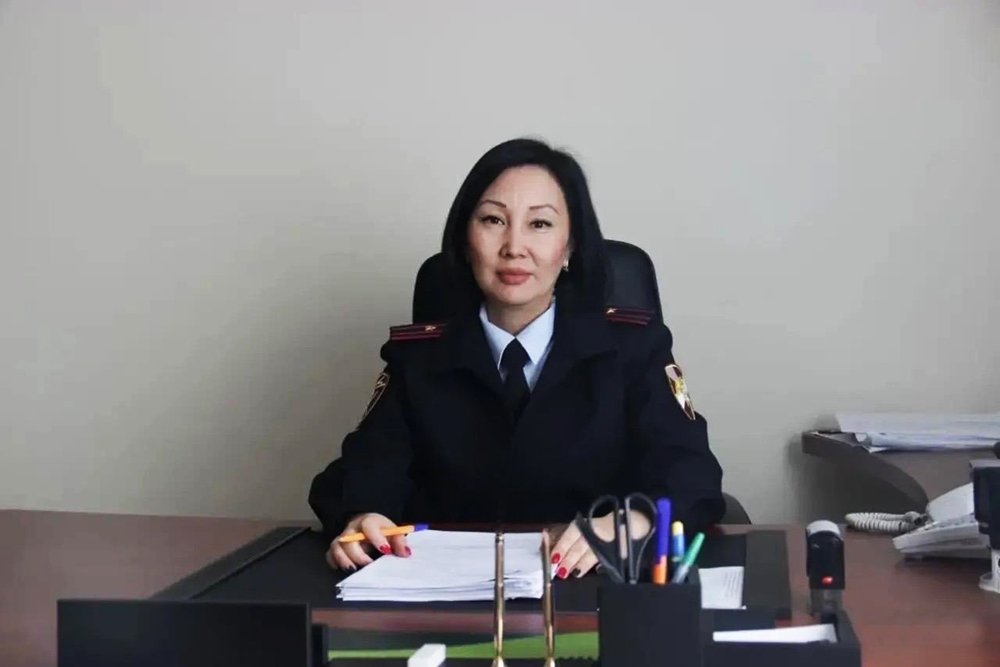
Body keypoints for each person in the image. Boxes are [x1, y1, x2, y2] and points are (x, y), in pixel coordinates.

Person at [309, 138, 724, 578]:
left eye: (540, 224)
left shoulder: (633, 348)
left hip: (592, 585)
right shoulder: (419, 357)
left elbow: (692, 473)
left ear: (570, 246)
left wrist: (630, 524)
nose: (514, 247)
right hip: (446, 593)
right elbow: (362, 470)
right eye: (493, 220)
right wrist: (365, 517)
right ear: (465, 239)